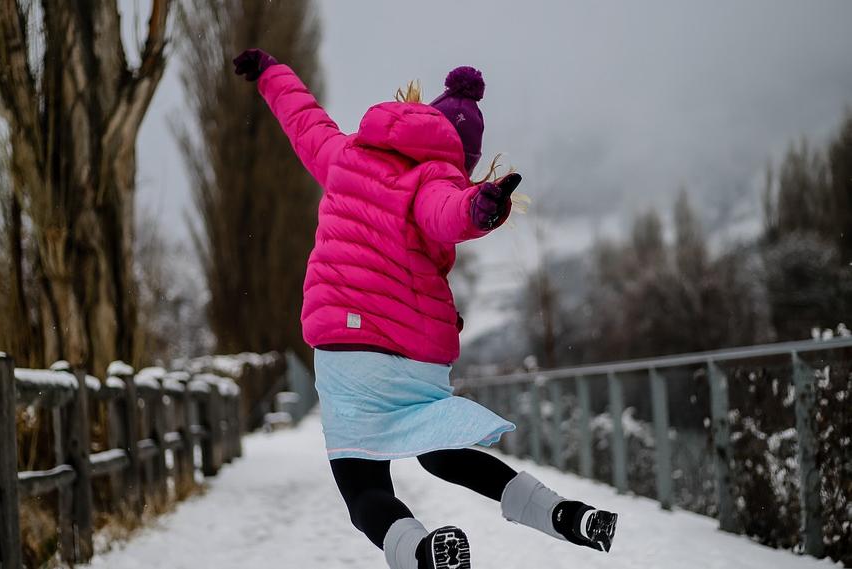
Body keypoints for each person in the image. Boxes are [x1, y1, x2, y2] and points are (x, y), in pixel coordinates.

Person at [233, 48, 618, 569]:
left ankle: (422, 552)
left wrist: (270, 73)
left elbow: (304, 120)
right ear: (464, 154)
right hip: (416, 360)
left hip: (347, 356)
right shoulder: (437, 178)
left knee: (362, 483)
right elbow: (449, 214)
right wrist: (482, 208)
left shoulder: (347, 153)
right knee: (446, 454)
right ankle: (565, 515)